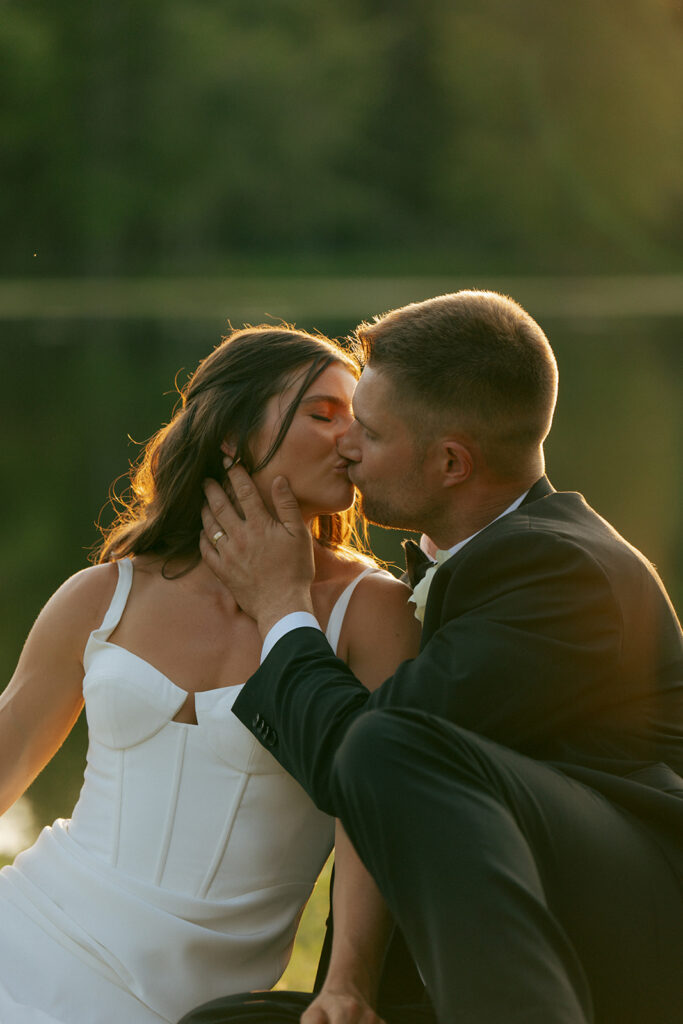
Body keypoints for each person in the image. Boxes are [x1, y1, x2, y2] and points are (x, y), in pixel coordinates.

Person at [192, 291, 683, 1024]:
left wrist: (280, 607)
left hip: (628, 945)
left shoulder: (563, 575)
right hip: (489, 954)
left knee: (390, 740)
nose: (346, 445)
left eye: (370, 430)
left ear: (451, 462)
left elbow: (363, 758)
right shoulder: (467, 561)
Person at [0, 325, 420, 1024]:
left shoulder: (369, 613)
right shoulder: (103, 595)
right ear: (230, 436)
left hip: (189, 1001)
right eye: (322, 414)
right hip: (31, 926)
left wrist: (349, 982)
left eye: (361, 421)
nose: (352, 442)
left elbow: (376, 812)